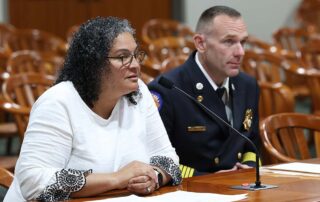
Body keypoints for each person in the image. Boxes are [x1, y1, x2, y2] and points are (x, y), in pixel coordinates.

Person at [4, 17, 181, 201]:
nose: (135, 65)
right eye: (122, 57)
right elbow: (33, 182)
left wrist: (155, 177)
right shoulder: (58, 102)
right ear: (93, 64)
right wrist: (117, 179)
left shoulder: (139, 93)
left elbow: (169, 158)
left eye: (136, 55)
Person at [148, 6, 260, 178]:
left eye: (242, 42)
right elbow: (156, 160)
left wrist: (250, 167)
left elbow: (251, 142)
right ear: (201, 43)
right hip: (190, 188)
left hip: (241, 185)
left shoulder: (247, 85)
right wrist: (208, 179)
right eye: (229, 41)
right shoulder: (168, 90)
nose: (240, 52)